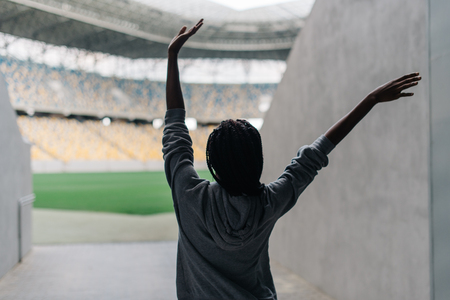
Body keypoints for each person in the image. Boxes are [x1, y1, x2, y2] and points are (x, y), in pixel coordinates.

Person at [162, 19, 421, 300]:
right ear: (256, 160)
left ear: (214, 161)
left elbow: (175, 129)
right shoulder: (269, 203)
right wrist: (370, 100)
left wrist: (173, 57)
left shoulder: (188, 193)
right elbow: (317, 153)